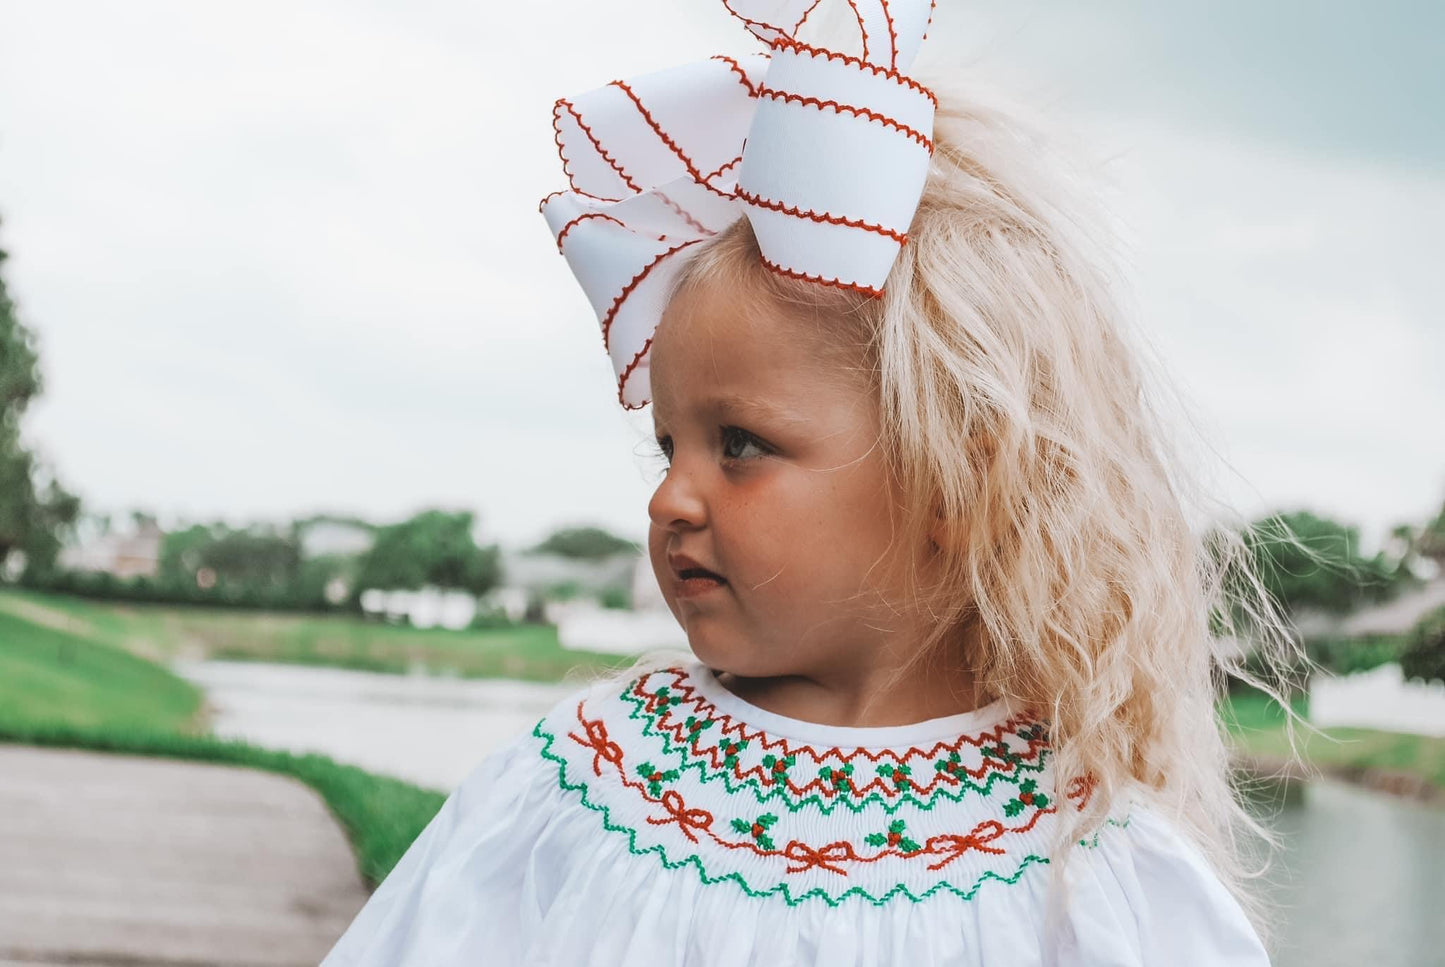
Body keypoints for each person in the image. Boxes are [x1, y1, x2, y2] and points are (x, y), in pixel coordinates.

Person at [323, 1, 1303, 963]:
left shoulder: (1081, 872)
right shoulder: (584, 782)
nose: (671, 498)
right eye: (670, 448)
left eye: (739, 444)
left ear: (954, 486)